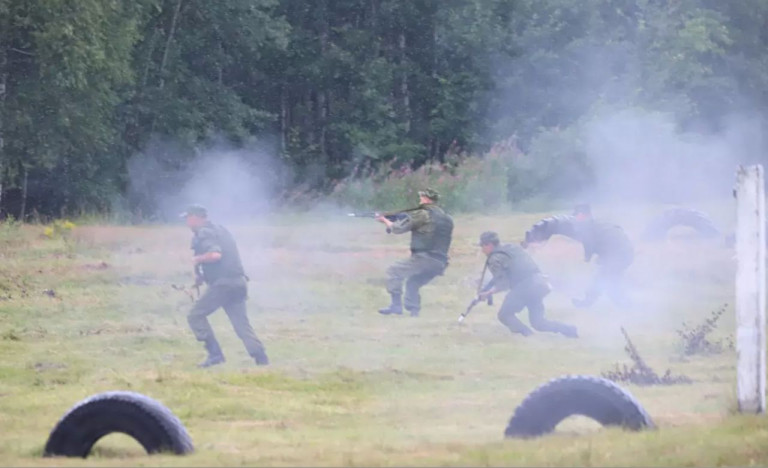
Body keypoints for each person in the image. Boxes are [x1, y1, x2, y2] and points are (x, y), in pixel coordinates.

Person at [181, 204, 269, 367]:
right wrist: (201, 276)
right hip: (238, 283)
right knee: (241, 324)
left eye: (188, 218)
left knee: (195, 315)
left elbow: (215, 255)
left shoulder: (204, 232)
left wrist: (197, 259)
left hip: (224, 285)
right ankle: (261, 358)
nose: (186, 222)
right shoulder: (220, 230)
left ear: (196, 217)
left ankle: (215, 355)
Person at [524, 203, 634, 308]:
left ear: (581, 216)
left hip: (619, 254)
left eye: (577, 216)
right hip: (622, 253)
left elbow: (590, 242)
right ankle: (621, 304)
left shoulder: (588, 227)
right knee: (608, 280)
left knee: (604, 280)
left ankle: (625, 306)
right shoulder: (595, 224)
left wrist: (588, 257)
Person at [477, 231, 578, 338]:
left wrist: (488, 293)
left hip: (524, 287)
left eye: (483, 246)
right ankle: (569, 330)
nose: (482, 250)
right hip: (539, 283)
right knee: (538, 323)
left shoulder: (494, 259)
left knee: (504, 315)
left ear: (489, 245)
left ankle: (528, 335)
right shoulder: (511, 247)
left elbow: (503, 284)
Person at [376, 188, 453, 317]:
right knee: (413, 282)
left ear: (426, 199)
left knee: (394, 271)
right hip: (440, 261)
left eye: (421, 197)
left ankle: (396, 306)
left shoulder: (422, 214)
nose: (420, 199)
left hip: (425, 258)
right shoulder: (447, 218)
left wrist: (384, 220)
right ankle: (414, 313)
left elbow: (398, 229)